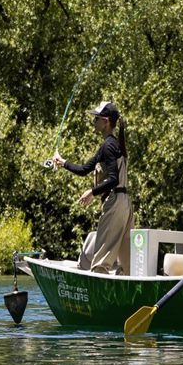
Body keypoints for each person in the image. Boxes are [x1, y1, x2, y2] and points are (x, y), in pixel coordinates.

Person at [52, 101, 133, 275]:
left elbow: (113, 179)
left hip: (115, 203)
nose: (93, 121)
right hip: (125, 203)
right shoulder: (112, 145)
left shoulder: (108, 146)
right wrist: (62, 162)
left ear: (105, 121)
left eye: (96, 118)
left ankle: (99, 292)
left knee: (101, 260)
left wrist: (92, 192)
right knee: (126, 262)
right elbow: (84, 170)